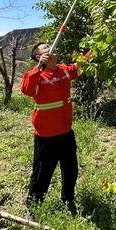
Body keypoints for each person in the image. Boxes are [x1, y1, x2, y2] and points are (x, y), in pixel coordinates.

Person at [20, 42, 88, 215]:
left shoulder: (64, 69)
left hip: (66, 132)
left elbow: (80, 66)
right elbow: (27, 89)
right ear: (38, 56)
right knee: (42, 173)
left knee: (71, 169)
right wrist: (38, 67)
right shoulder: (37, 75)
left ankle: (68, 200)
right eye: (46, 48)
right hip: (46, 136)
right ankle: (33, 207)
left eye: (51, 45)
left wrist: (95, 47)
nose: (52, 47)